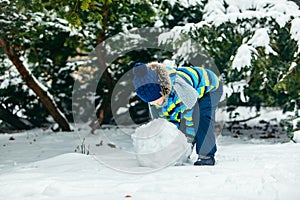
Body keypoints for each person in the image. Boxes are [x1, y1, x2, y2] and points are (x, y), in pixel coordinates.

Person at [132, 62, 223, 166]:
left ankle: (206, 155)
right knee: (179, 124)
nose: (154, 104)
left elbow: (190, 120)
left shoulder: (181, 90)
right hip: (185, 96)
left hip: (209, 88)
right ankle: (183, 153)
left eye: (156, 100)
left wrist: (188, 141)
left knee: (201, 118)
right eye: (151, 102)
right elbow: (167, 123)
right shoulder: (155, 100)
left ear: (162, 91)